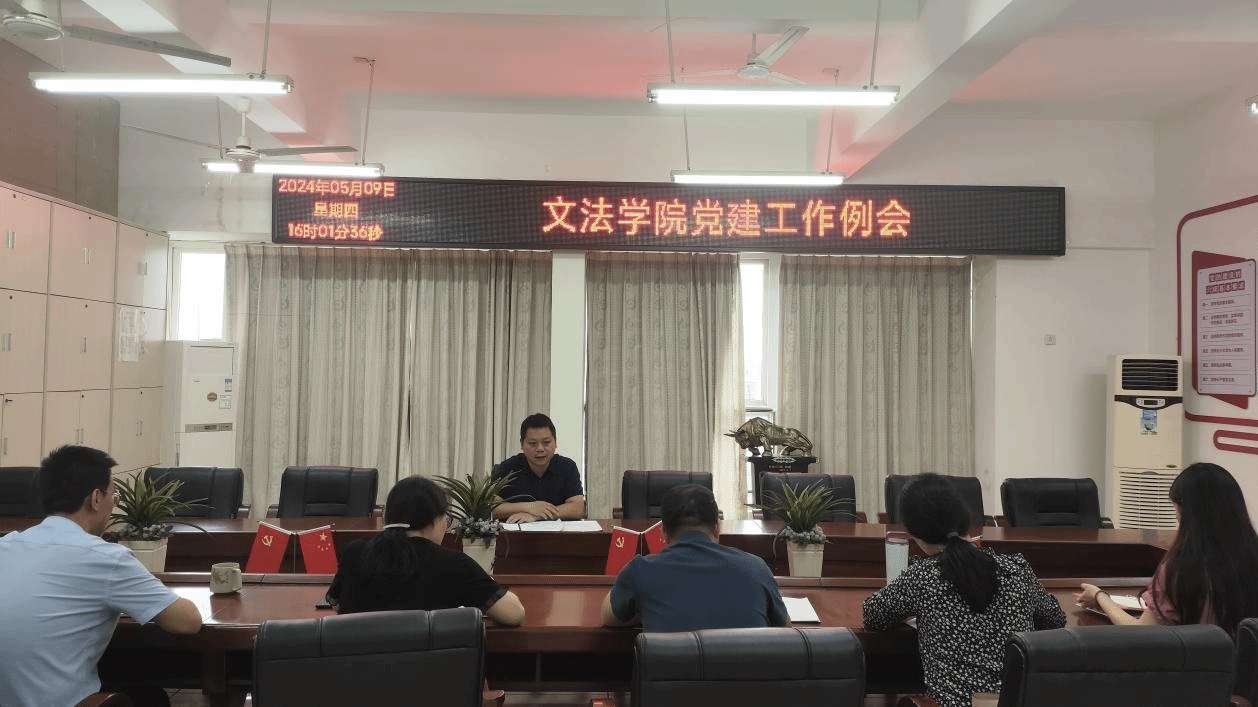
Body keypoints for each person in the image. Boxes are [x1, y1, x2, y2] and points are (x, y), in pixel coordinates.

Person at [0, 446, 203, 707]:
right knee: (151, 697)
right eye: (113, 495)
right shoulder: (104, 557)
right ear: (96, 499)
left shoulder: (6, 546)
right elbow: (187, 622)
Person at [863, 473, 1065, 707]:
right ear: (965, 517)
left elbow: (873, 615)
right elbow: (1055, 620)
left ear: (915, 534)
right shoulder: (1016, 570)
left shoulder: (923, 577)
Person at [1077, 462, 1258, 635]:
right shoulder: (1251, 557)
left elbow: (1139, 633)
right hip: (1240, 657)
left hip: (1197, 658)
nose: (1176, 516)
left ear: (1186, 512)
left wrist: (1100, 596)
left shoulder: (1180, 570)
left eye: (1176, 508)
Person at [327, 475, 525, 625]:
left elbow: (337, 604)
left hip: (358, 667)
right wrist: (484, 579)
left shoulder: (355, 553)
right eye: (446, 518)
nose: (446, 525)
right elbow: (514, 614)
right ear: (433, 520)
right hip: (427, 669)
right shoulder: (453, 564)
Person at [601, 484, 789, 631]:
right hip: (744, 671)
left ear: (663, 532)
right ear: (717, 527)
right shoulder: (756, 568)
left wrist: (645, 607)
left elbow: (609, 618)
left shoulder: (641, 570)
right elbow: (785, 627)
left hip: (673, 672)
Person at [491, 413, 585, 523]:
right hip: (517, 532)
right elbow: (493, 508)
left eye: (546, 442)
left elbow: (578, 508)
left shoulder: (567, 467)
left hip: (557, 532)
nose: (540, 449)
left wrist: (538, 515)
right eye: (532, 443)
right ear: (522, 444)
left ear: (555, 442)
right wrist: (530, 507)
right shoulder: (507, 468)